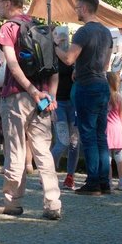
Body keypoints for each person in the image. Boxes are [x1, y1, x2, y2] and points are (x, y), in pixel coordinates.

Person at [0, 0, 61, 220]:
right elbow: (54, 67)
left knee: (16, 150)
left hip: (16, 97)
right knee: (43, 152)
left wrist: (30, 90)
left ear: (8, 3)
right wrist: (50, 95)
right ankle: (53, 203)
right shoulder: (39, 27)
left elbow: (12, 64)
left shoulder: (9, 28)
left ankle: (12, 202)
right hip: (43, 98)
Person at [54, 0, 114, 195]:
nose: (76, 11)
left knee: (87, 135)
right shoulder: (106, 32)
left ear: (85, 9)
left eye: (77, 8)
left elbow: (68, 59)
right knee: (100, 135)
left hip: (86, 86)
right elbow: (106, 64)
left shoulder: (83, 32)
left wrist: (55, 47)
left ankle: (93, 182)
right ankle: (104, 182)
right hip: (102, 84)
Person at [50, 26, 80, 189]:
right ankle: (48, 173)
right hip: (58, 103)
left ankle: (70, 176)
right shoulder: (51, 55)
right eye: (57, 35)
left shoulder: (73, 55)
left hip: (73, 102)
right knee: (62, 142)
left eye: (64, 36)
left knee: (74, 142)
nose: (62, 38)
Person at [105, 71, 122, 190]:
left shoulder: (103, 96)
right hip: (118, 128)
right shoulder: (118, 97)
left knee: (107, 157)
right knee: (119, 156)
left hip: (107, 129)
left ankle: (109, 181)